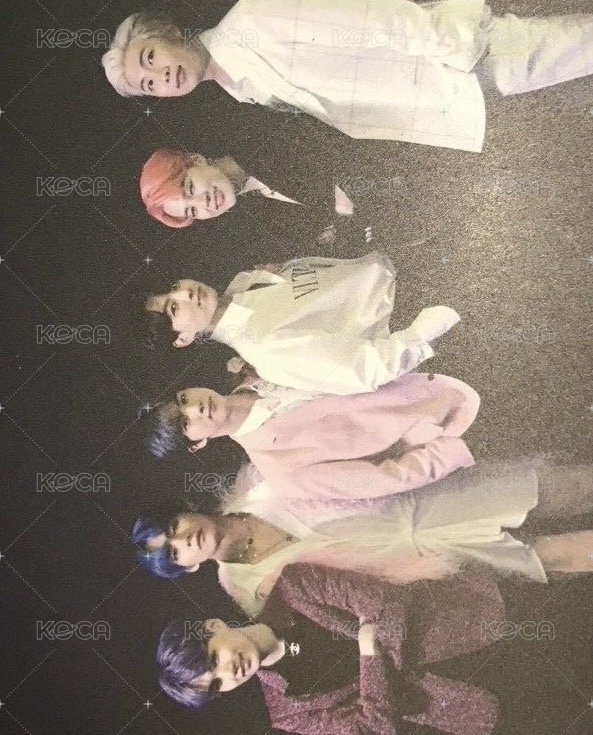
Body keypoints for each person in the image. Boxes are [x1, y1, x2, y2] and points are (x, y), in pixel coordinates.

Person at [102, 0, 593, 151]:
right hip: (464, 107)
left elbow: (374, 15)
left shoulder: (255, 14)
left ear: (167, 32)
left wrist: (461, 55)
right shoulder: (237, 89)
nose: (160, 77)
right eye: (149, 85)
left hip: (470, 60)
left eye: (150, 58)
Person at [133, 459, 593, 619]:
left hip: (420, 497)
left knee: (550, 487)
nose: (185, 538)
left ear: (183, 511)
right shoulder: (247, 590)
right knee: (544, 558)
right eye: (174, 552)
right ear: (186, 567)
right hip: (422, 568)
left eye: (174, 526)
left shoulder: (259, 479)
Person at [155, 562, 503, 735]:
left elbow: (385, 600)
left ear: (214, 626)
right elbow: (372, 730)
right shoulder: (288, 713)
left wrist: (377, 691)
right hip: (469, 700)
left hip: (471, 617)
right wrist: (369, 653)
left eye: (214, 658)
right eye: (217, 684)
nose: (228, 673)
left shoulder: (293, 586)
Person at [143, 251, 460, 393]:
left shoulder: (244, 281)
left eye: (175, 286)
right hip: (424, 308)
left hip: (410, 260)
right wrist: (436, 320)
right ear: (183, 338)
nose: (185, 293)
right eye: (173, 308)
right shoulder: (263, 349)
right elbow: (366, 370)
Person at [143, 367, 479, 500]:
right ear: (197, 443)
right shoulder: (282, 472)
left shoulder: (263, 363)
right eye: (186, 423)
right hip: (460, 419)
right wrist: (457, 446)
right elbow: (387, 479)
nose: (196, 407)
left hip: (439, 353)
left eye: (183, 399)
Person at [138, 145, 379, 253]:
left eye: (190, 188)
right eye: (192, 211)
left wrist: (345, 208)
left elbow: (351, 153)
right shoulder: (259, 218)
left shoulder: (261, 140)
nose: (204, 204)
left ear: (196, 160)